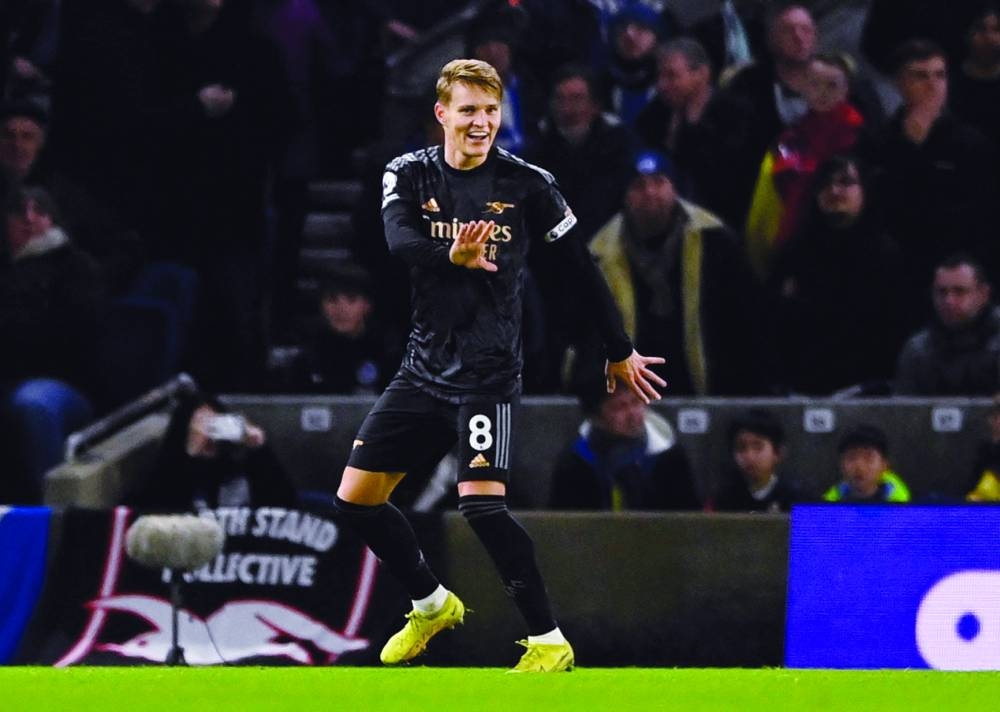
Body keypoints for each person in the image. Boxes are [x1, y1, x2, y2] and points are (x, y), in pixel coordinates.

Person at [333, 59, 665, 673]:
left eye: (491, 111)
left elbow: (580, 269)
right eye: (469, 110)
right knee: (356, 500)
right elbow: (397, 243)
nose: (482, 122)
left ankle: (548, 640)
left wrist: (617, 348)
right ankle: (431, 602)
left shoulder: (528, 183)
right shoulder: (406, 172)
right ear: (442, 114)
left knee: (481, 505)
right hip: (423, 368)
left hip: (488, 371)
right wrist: (450, 254)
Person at [586, 150, 772, 396]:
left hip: (712, 388)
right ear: (625, 196)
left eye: (658, 182)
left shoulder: (714, 240)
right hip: (630, 396)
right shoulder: (600, 254)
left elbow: (746, 321)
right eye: (639, 186)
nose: (649, 193)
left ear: (674, 189)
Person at [858, 39, 997, 299]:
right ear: (898, 83)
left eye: (940, 75)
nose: (933, 85)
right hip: (899, 272)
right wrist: (909, 149)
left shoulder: (972, 143)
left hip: (958, 272)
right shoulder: (877, 142)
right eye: (920, 76)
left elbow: (984, 214)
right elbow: (881, 206)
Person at [767, 154, 909, 395]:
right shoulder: (795, 253)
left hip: (867, 389)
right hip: (801, 389)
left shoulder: (887, 256)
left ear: (865, 191)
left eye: (845, 182)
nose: (834, 190)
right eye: (826, 183)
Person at [744, 53, 865, 278]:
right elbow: (770, 200)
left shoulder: (861, 137)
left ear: (847, 88)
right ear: (802, 88)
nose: (823, 93)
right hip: (801, 245)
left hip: (854, 245)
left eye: (832, 85)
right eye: (815, 84)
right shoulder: (789, 141)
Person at [549, 374, 699, 511]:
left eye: (636, 402)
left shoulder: (670, 458)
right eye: (619, 407)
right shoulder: (575, 463)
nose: (632, 414)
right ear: (598, 418)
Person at [127, 391, 297, 511]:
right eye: (200, 424)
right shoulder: (168, 472)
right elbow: (156, 514)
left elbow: (287, 507)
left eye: (214, 423)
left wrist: (259, 450)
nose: (208, 433)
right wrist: (190, 454)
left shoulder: (244, 469)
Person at [894, 253, 1000, 395]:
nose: (949, 301)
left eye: (960, 291)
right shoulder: (918, 351)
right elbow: (902, 412)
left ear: (983, 294)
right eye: (942, 292)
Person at [713, 408, 803, 513]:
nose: (749, 456)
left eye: (758, 447)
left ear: (778, 453)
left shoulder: (799, 499)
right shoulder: (724, 500)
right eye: (741, 448)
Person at [823, 424, 911, 503]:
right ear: (841, 465)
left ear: (884, 465)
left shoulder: (902, 506)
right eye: (851, 458)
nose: (859, 466)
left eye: (868, 458)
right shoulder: (828, 505)